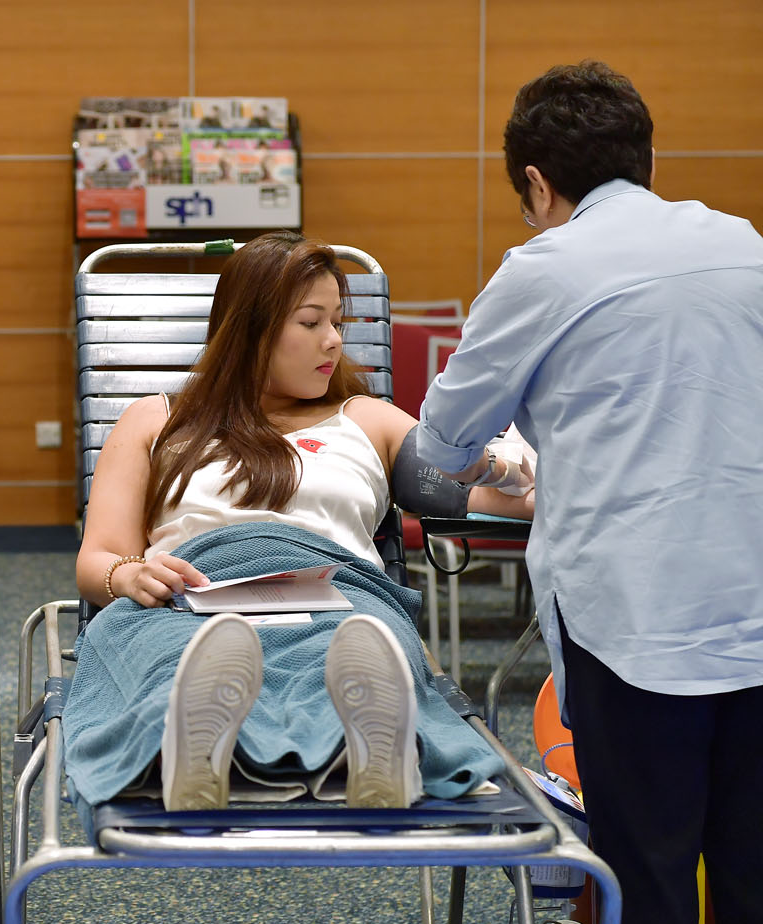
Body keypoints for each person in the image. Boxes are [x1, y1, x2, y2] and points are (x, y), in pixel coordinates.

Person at [417, 61, 763, 924]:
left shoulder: (544, 267)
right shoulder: (742, 242)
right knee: (750, 884)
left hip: (636, 622)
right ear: (648, 159)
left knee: (646, 891)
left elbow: (443, 446)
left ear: (535, 182)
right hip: (755, 605)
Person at [65, 232, 531, 824]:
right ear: (249, 329)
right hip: (188, 601)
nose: (334, 340)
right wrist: (130, 576)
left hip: (337, 598)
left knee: (360, 651)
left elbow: (482, 488)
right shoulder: (157, 420)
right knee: (172, 661)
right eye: (311, 322)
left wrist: (534, 481)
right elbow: (97, 558)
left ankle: (364, 745)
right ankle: (195, 744)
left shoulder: (368, 419)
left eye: (337, 320)